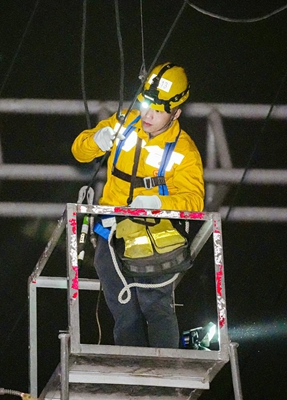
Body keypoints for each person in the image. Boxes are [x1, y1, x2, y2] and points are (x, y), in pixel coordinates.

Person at [71, 62, 205, 348]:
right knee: (125, 312)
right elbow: (79, 151)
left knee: (157, 309)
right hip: (111, 233)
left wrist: (159, 202)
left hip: (154, 239)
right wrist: (96, 139)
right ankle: (131, 372)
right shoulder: (124, 123)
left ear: (176, 112)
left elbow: (195, 200)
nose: (148, 115)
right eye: (145, 105)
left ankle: (165, 376)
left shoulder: (184, 151)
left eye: (158, 111)